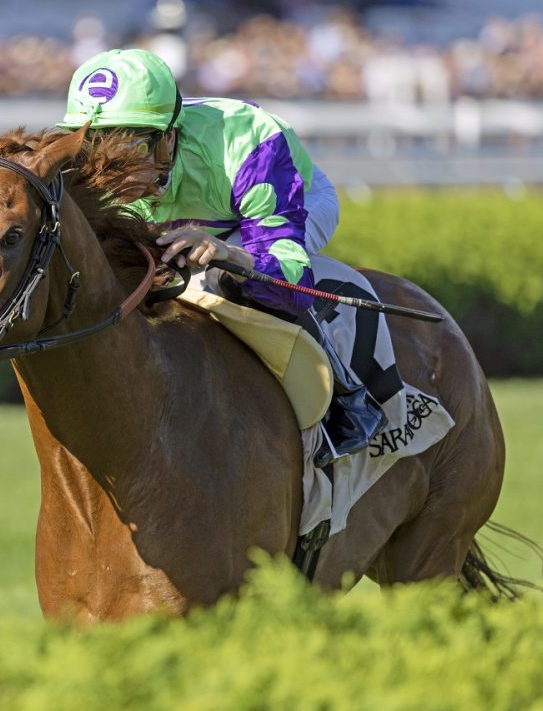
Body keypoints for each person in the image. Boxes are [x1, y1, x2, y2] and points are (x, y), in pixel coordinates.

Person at [57, 48, 385, 465]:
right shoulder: (90, 174)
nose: (110, 172)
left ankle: (346, 399)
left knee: (223, 279)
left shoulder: (249, 143)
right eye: (93, 148)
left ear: (168, 137)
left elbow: (291, 284)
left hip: (290, 199)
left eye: (132, 147)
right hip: (191, 214)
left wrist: (229, 252)